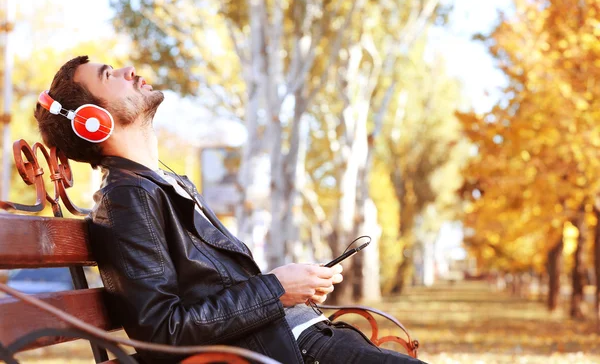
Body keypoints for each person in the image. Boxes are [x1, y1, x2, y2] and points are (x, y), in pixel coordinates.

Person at [34, 56, 426, 364]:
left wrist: (289, 288)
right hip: (289, 352)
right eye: (109, 75)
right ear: (90, 121)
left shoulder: (160, 184)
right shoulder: (127, 199)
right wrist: (277, 289)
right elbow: (161, 332)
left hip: (300, 340)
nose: (129, 71)